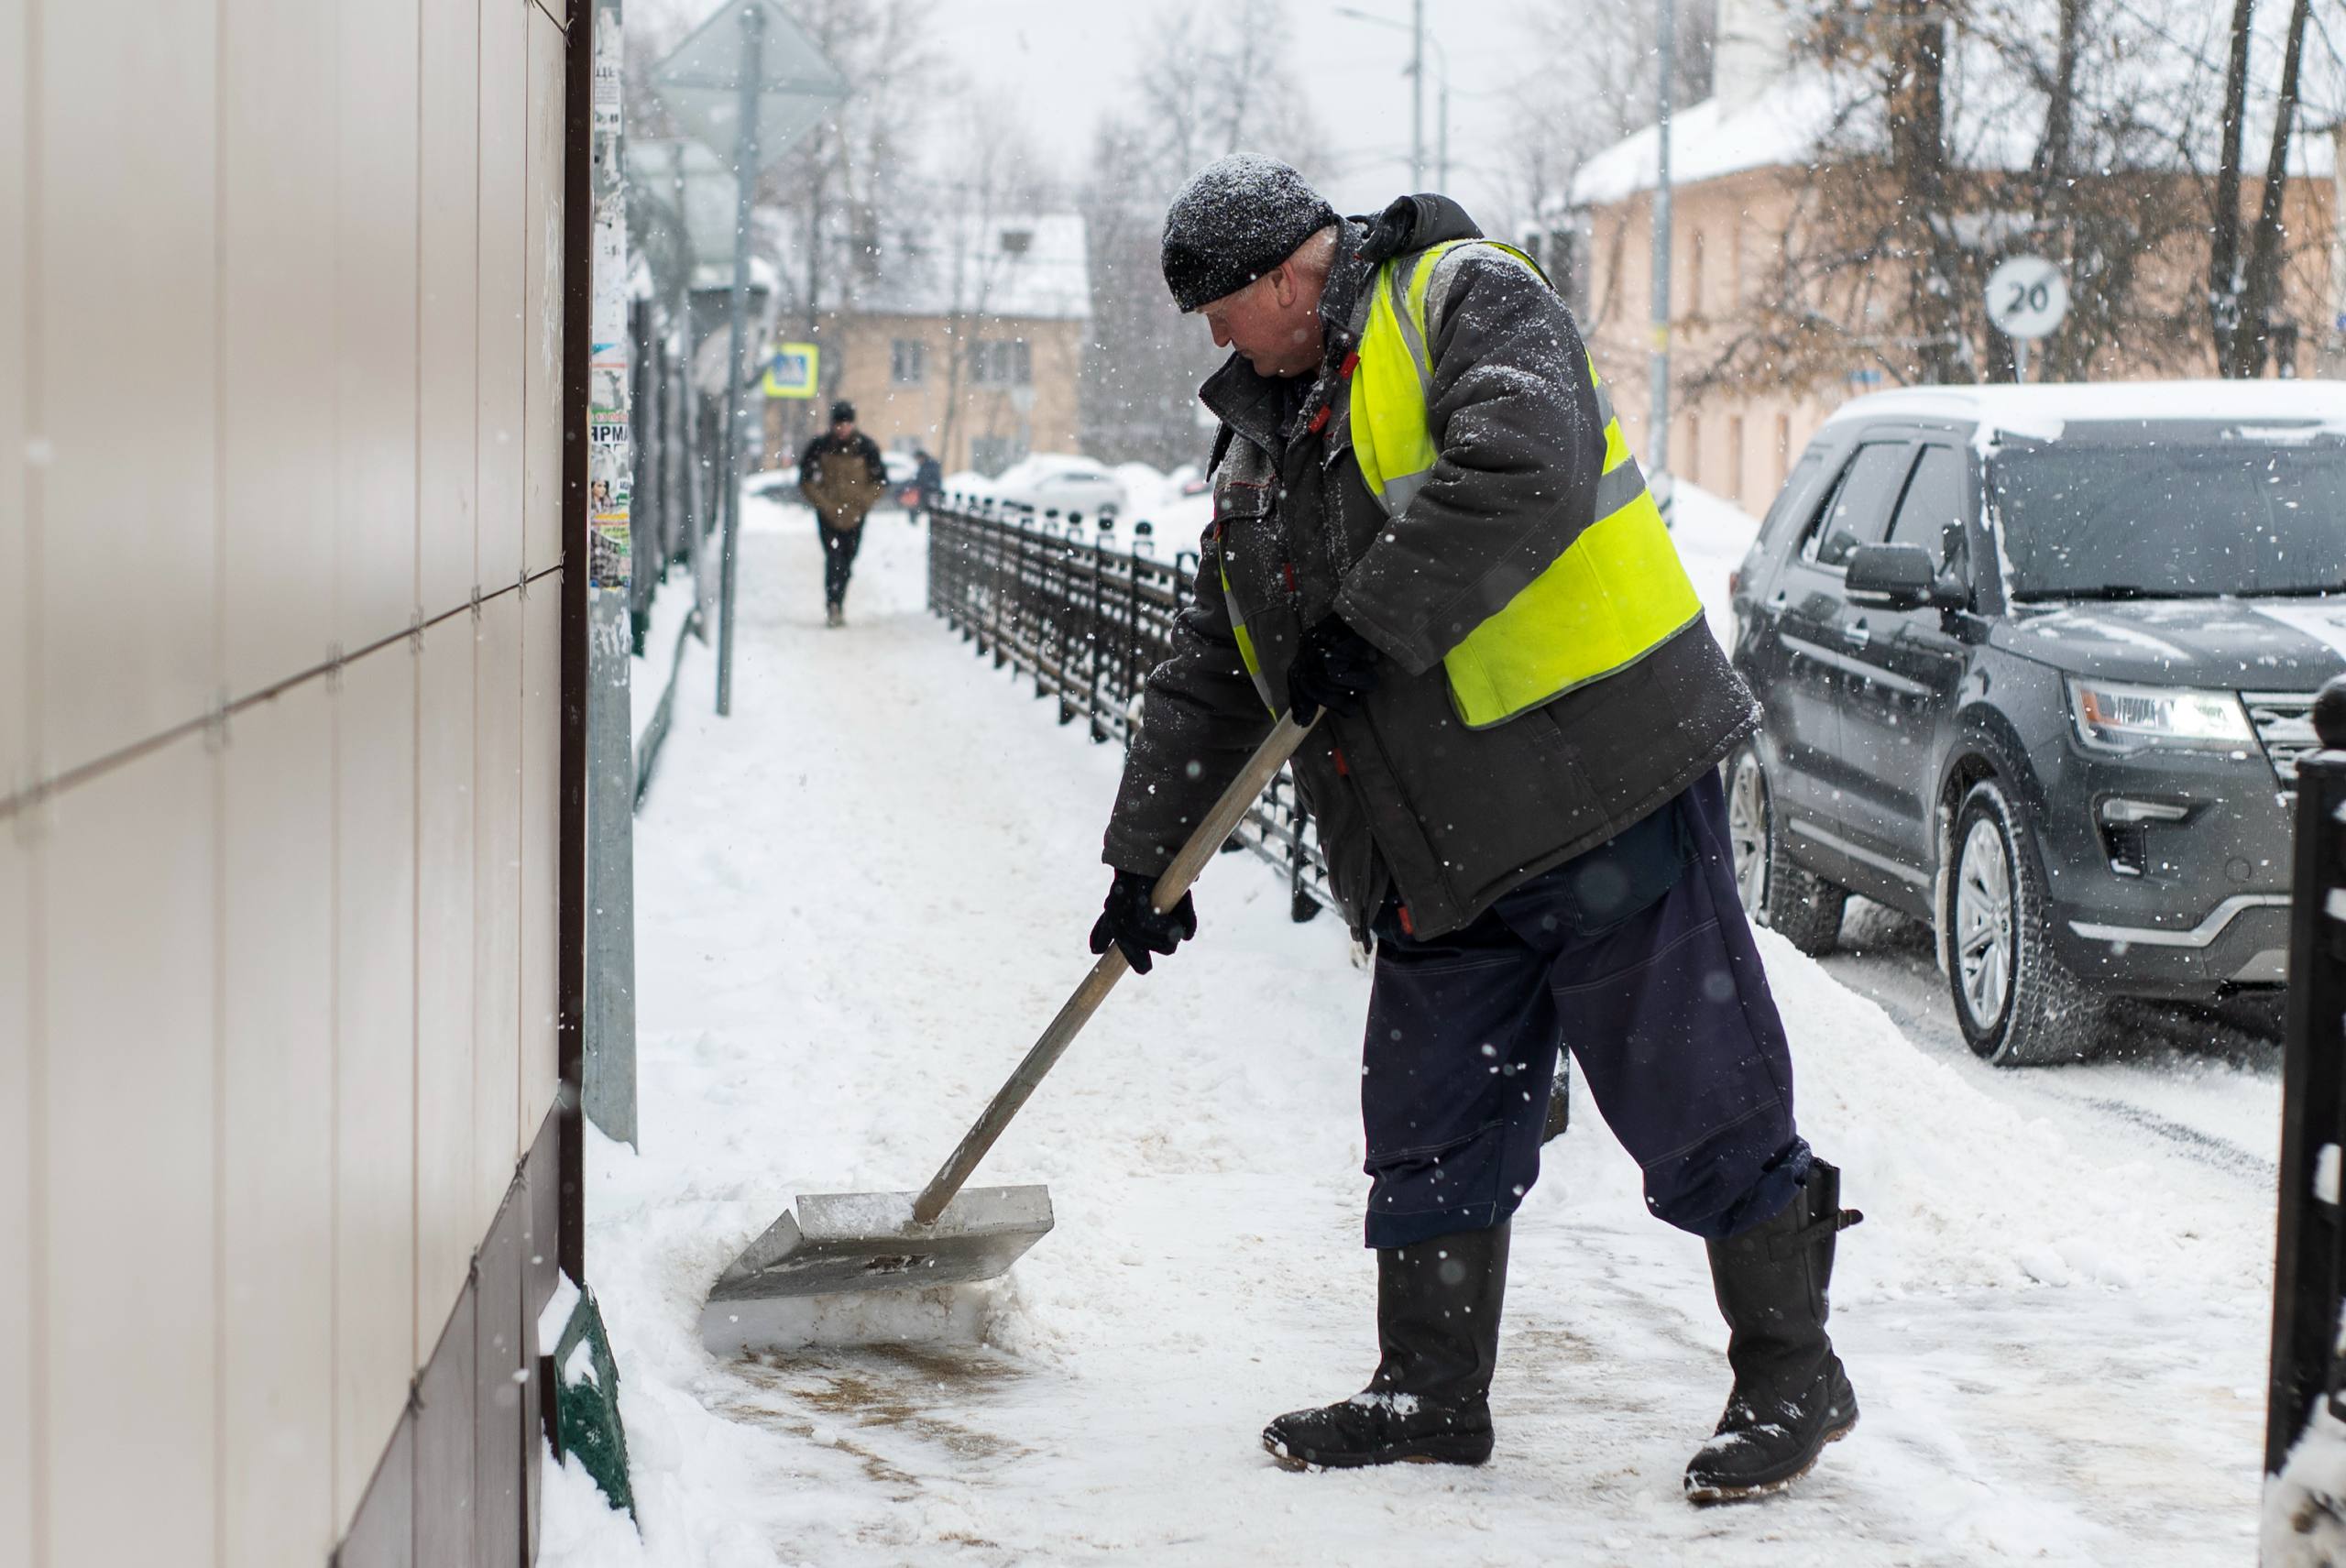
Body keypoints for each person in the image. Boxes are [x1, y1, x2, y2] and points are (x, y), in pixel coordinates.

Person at [1087, 154, 1861, 1505]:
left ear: (1285, 275)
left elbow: (1524, 466)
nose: (1214, 340)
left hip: (1595, 787)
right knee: (1432, 1113)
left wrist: (1367, 620)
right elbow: (1218, 660)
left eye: (1220, 309)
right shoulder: (1259, 438)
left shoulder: (1464, 297)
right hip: (1426, 840)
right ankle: (1429, 1390)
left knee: (1697, 1088)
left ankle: (1793, 1373)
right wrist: (1146, 855)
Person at [797, 400, 888, 626]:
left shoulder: (866, 447)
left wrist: (862, 504)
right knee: (834, 558)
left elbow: (880, 481)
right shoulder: (820, 446)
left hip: (855, 515)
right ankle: (833, 604)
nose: (842, 429)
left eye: (846, 424)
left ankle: (839, 600)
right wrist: (825, 504)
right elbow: (806, 480)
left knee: (848, 559)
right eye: (839, 424)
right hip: (828, 515)